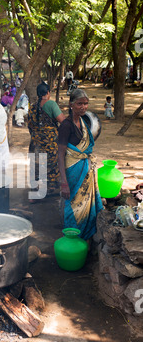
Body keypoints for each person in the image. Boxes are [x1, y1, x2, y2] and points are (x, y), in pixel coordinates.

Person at [58, 89, 103, 241]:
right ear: (71, 105)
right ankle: (71, 238)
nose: (83, 107)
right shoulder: (66, 125)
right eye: (79, 104)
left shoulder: (83, 122)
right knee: (72, 205)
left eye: (85, 104)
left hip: (85, 169)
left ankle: (84, 237)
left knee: (85, 204)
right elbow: (60, 154)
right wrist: (63, 182)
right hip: (72, 172)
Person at [27, 82, 66, 201]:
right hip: (50, 143)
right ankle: (50, 190)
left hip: (35, 143)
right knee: (53, 164)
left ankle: (34, 193)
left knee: (36, 165)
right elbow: (63, 121)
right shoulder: (51, 104)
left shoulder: (32, 107)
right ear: (48, 93)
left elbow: (30, 126)